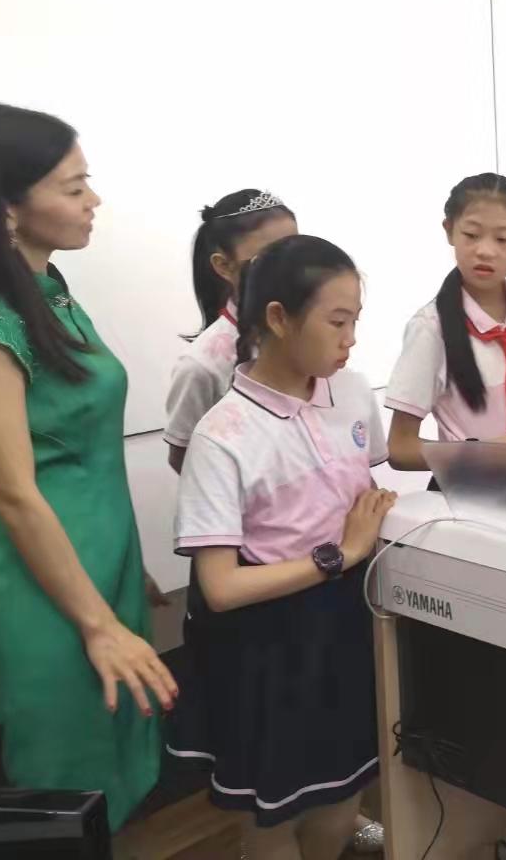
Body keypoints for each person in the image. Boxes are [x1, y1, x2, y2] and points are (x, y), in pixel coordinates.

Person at [0, 103, 173, 829]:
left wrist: (126, 571)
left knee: (115, 789)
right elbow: (15, 494)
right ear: (5, 207)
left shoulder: (51, 294)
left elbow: (82, 452)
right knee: (65, 805)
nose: (93, 200)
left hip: (102, 573)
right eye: (73, 188)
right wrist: (97, 623)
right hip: (53, 603)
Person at [169, 235, 397, 860]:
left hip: (346, 618)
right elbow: (221, 587)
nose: (351, 339)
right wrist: (340, 554)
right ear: (277, 318)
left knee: (342, 795)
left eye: (355, 321)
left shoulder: (351, 390)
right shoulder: (224, 435)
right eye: (337, 321)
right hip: (272, 641)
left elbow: (360, 488)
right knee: (273, 816)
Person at [384, 173, 506, 471]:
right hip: (471, 490)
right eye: (471, 235)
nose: (485, 251)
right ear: (449, 231)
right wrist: (499, 451)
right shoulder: (431, 328)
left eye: (503, 239)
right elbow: (400, 448)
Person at [164, 189, 297, 473]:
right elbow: (185, 459)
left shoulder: (314, 331)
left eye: (296, 251)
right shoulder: (201, 366)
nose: (289, 269)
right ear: (223, 266)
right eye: (268, 257)